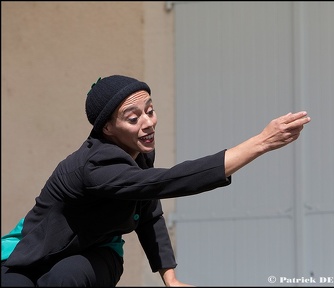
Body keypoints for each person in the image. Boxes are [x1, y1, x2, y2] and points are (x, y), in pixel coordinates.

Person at [1, 75, 311, 287]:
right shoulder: (96, 164)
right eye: (133, 117)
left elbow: (149, 212)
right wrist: (261, 142)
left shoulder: (138, 152)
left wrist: (170, 277)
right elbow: (167, 182)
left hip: (96, 254)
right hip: (31, 254)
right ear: (107, 128)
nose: (148, 123)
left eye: (150, 110)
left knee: (65, 277)